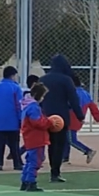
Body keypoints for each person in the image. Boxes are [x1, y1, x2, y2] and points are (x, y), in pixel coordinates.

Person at [38, 55, 84, 183]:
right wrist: (80, 115)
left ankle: (51, 169)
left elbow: (36, 98)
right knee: (59, 145)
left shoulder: (43, 79)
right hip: (61, 117)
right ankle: (55, 172)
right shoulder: (66, 80)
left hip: (46, 116)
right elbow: (74, 99)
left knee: (50, 144)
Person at [0, 67, 23, 172]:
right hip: (12, 120)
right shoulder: (16, 88)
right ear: (13, 76)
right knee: (14, 144)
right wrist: (21, 119)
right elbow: (19, 105)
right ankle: (17, 163)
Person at [20, 84, 52, 192]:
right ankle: (31, 182)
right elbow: (37, 122)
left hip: (30, 138)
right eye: (42, 96)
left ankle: (24, 181)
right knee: (36, 160)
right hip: (36, 138)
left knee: (29, 160)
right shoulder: (33, 107)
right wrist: (49, 122)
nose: (43, 98)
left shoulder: (26, 105)